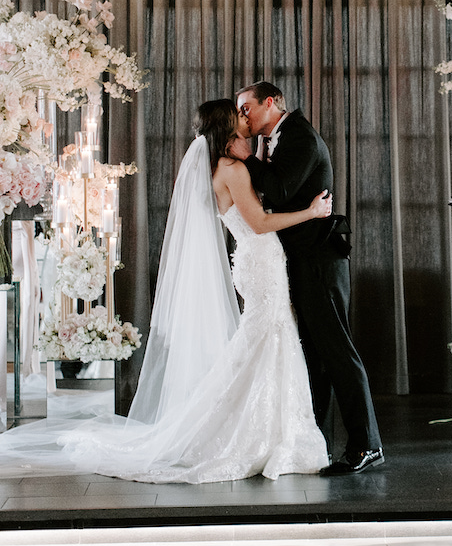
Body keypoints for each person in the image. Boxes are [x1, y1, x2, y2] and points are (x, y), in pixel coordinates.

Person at [0, 100, 332, 483]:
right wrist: (311, 212)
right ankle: (261, 433)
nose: (246, 119)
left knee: (266, 343)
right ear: (227, 129)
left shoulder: (217, 167)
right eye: (239, 117)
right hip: (260, 261)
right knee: (265, 341)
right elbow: (258, 222)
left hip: (256, 263)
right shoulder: (233, 169)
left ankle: (270, 430)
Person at [230, 81, 383, 474]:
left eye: (246, 107)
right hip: (302, 259)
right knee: (315, 356)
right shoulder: (277, 140)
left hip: (319, 260)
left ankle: (367, 445)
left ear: (270, 102)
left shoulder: (299, 135)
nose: (242, 115)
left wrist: (246, 159)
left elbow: (279, 189)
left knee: (336, 351)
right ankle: (316, 444)